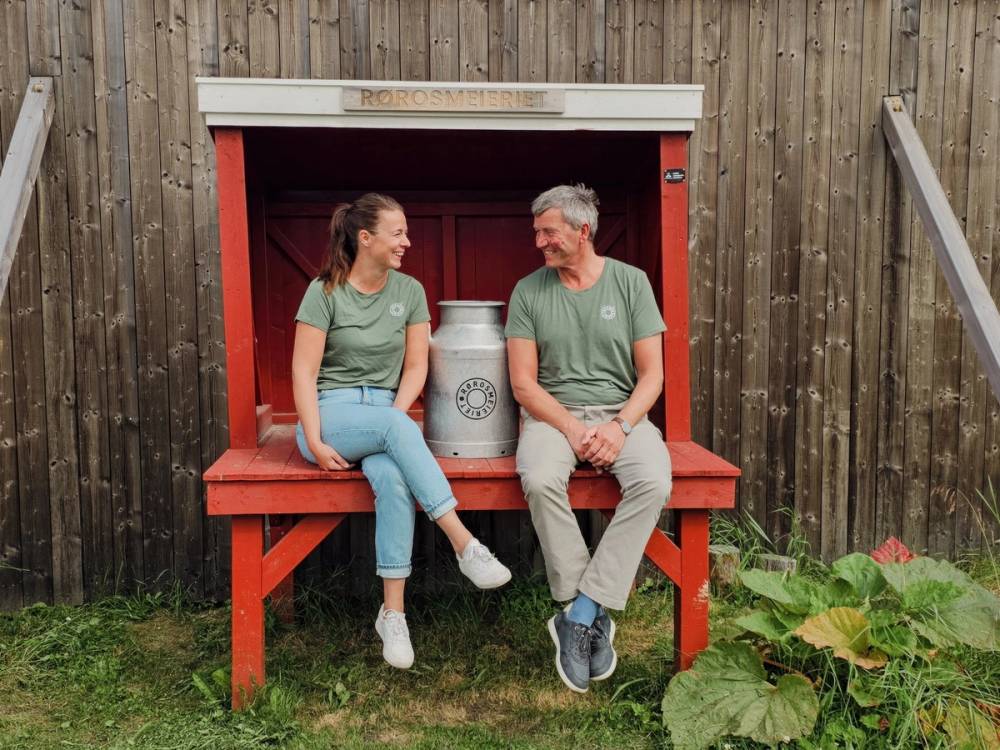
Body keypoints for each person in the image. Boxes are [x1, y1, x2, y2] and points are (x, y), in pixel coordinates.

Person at [292, 193, 512, 670]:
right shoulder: (324, 291)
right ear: (365, 238)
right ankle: (463, 543)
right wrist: (312, 439)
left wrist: (392, 417)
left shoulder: (409, 292)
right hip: (332, 414)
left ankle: (392, 614)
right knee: (394, 432)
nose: (406, 242)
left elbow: (416, 366)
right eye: (398, 234)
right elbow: (304, 373)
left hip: (386, 413)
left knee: (392, 479)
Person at [505, 184, 671, 693]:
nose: (539, 242)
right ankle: (587, 610)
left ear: (582, 231)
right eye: (536, 232)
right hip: (553, 418)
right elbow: (523, 384)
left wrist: (620, 428)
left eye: (548, 232)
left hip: (623, 415)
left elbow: (652, 376)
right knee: (538, 475)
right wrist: (574, 429)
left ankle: (580, 611)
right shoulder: (528, 291)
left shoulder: (630, 284)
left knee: (654, 482)